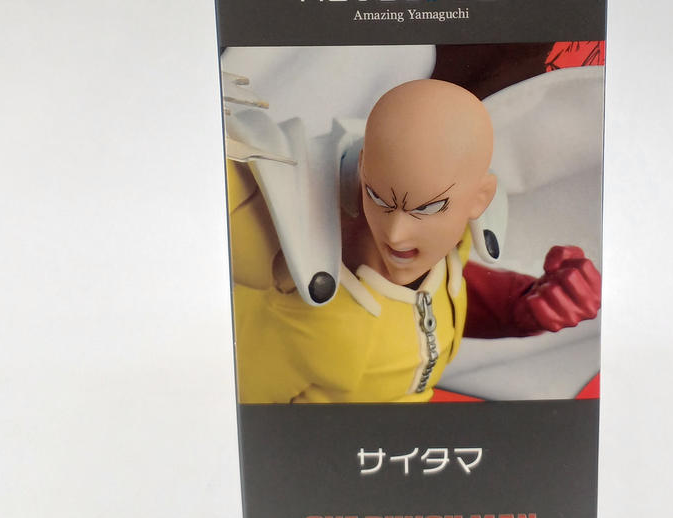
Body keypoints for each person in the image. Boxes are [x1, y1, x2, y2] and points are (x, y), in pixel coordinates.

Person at [230, 79, 600, 404]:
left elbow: (439, 301)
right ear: (362, 170)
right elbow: (245, 406)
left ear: (480, 198)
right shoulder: (315, 316)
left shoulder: (451, 247)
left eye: (428, 207)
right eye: (377, 197)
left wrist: (527, 304)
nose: (394, 234)